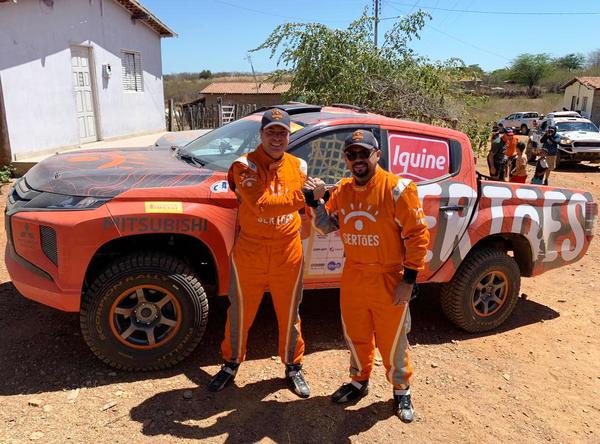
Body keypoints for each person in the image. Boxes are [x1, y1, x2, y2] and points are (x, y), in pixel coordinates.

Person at [303, 129, 430, 422]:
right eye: (352, 154)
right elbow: (325, 226)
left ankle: (401, 390)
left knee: (393, 339)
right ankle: (359, 381)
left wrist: (408, 281)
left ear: (377, 155)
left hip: (389, 278)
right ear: (347, 159)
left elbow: (417, 237)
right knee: (356, 334)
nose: (358, 159)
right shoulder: (344, 191)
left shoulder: (398, 189)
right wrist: (314, 201)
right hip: (354, 276)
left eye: (364, 153)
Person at [207, 108, 311, 398]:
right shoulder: (244, 166)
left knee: (290, 313)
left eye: (282, 133)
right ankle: (230, 363)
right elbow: (263, 205)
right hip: (250, 252)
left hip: (287, 252)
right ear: (261, 134)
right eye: (271, 132)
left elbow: (306, 209)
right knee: (239, 312)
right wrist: (306, 196)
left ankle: (293, 366)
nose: (277, 138)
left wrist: (316, 210)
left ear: (289, 135)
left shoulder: (299, 166)